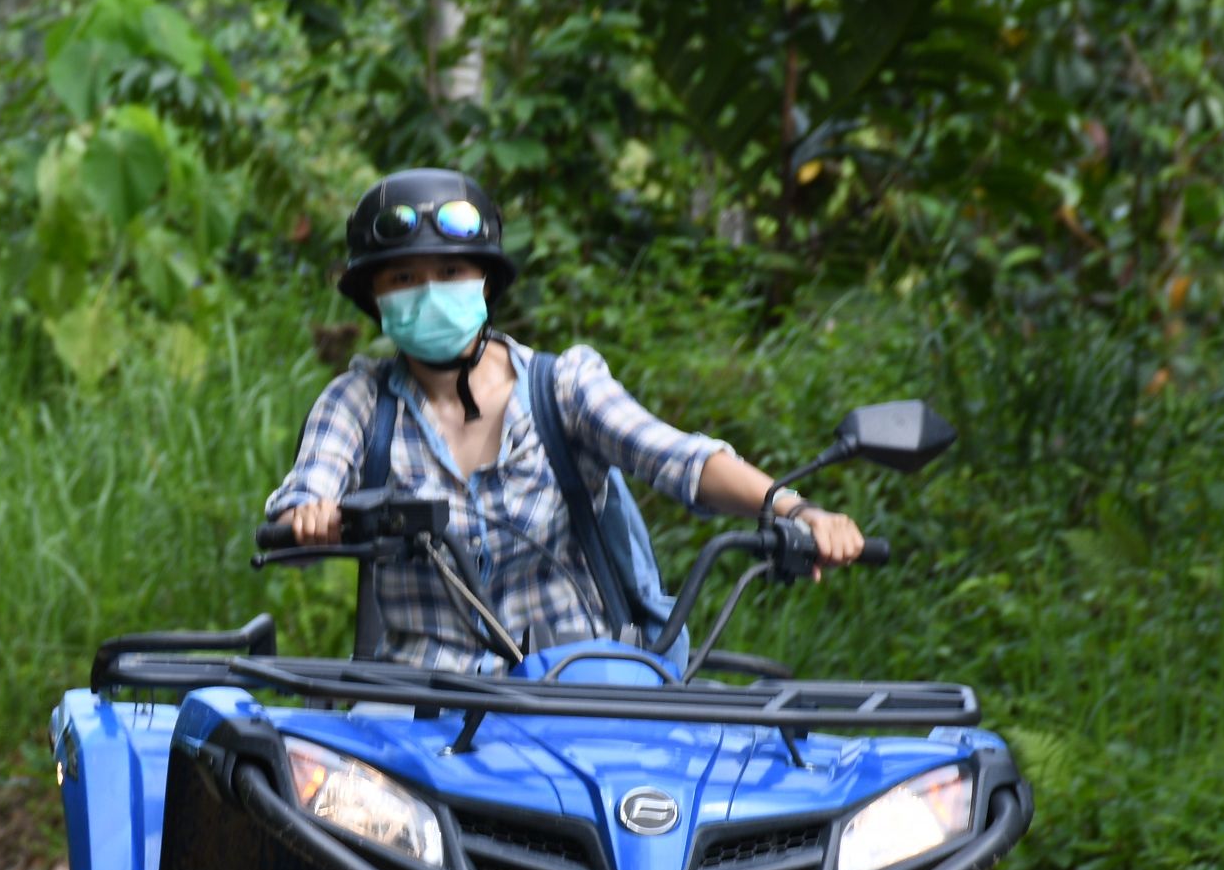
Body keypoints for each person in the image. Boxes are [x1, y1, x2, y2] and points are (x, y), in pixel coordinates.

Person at [267, 168, 865, 670]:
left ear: (484, 282)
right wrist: (311, 516)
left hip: (577, 689)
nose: (429, 292)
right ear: (375, 299)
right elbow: (311, 483)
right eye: (404, 278)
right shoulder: (358, 401)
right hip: (423, 705)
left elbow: (677, 457)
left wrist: (792, 509)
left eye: (449, 273)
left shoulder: (563, 388)